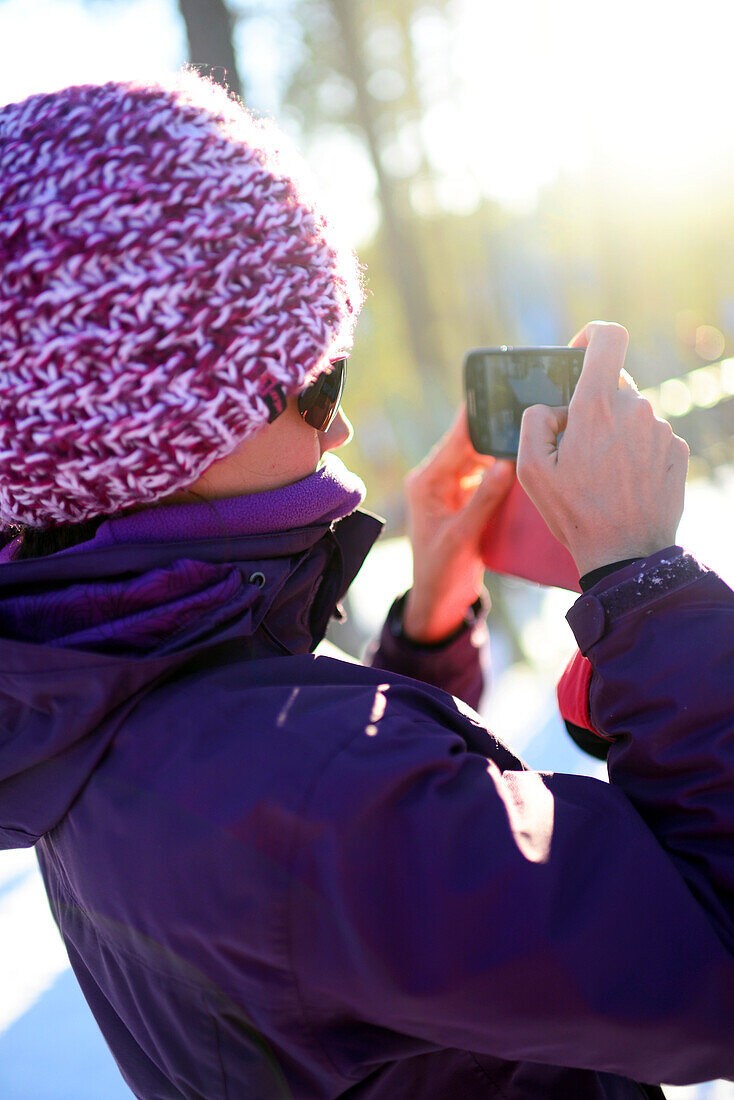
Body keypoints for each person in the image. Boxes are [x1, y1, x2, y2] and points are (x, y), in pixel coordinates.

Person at [0, 74, 732, 1100]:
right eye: (313, 381)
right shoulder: (302, 793)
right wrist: (645, 581)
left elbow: (332, 908)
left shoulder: (73, 691)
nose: (337, 427)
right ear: (158, 440)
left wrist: (431, 619)